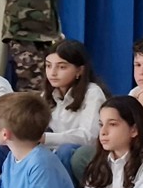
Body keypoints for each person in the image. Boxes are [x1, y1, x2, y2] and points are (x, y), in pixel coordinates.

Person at [37, 39, 108, 176]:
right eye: (48, 66)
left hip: (85, 155)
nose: (52, 73)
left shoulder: (92, 93)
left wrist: (45, 138)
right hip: (55, 151)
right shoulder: (47, 95)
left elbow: (89, 137)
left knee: (66, 150)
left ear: (79, 70)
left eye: (61, 67)